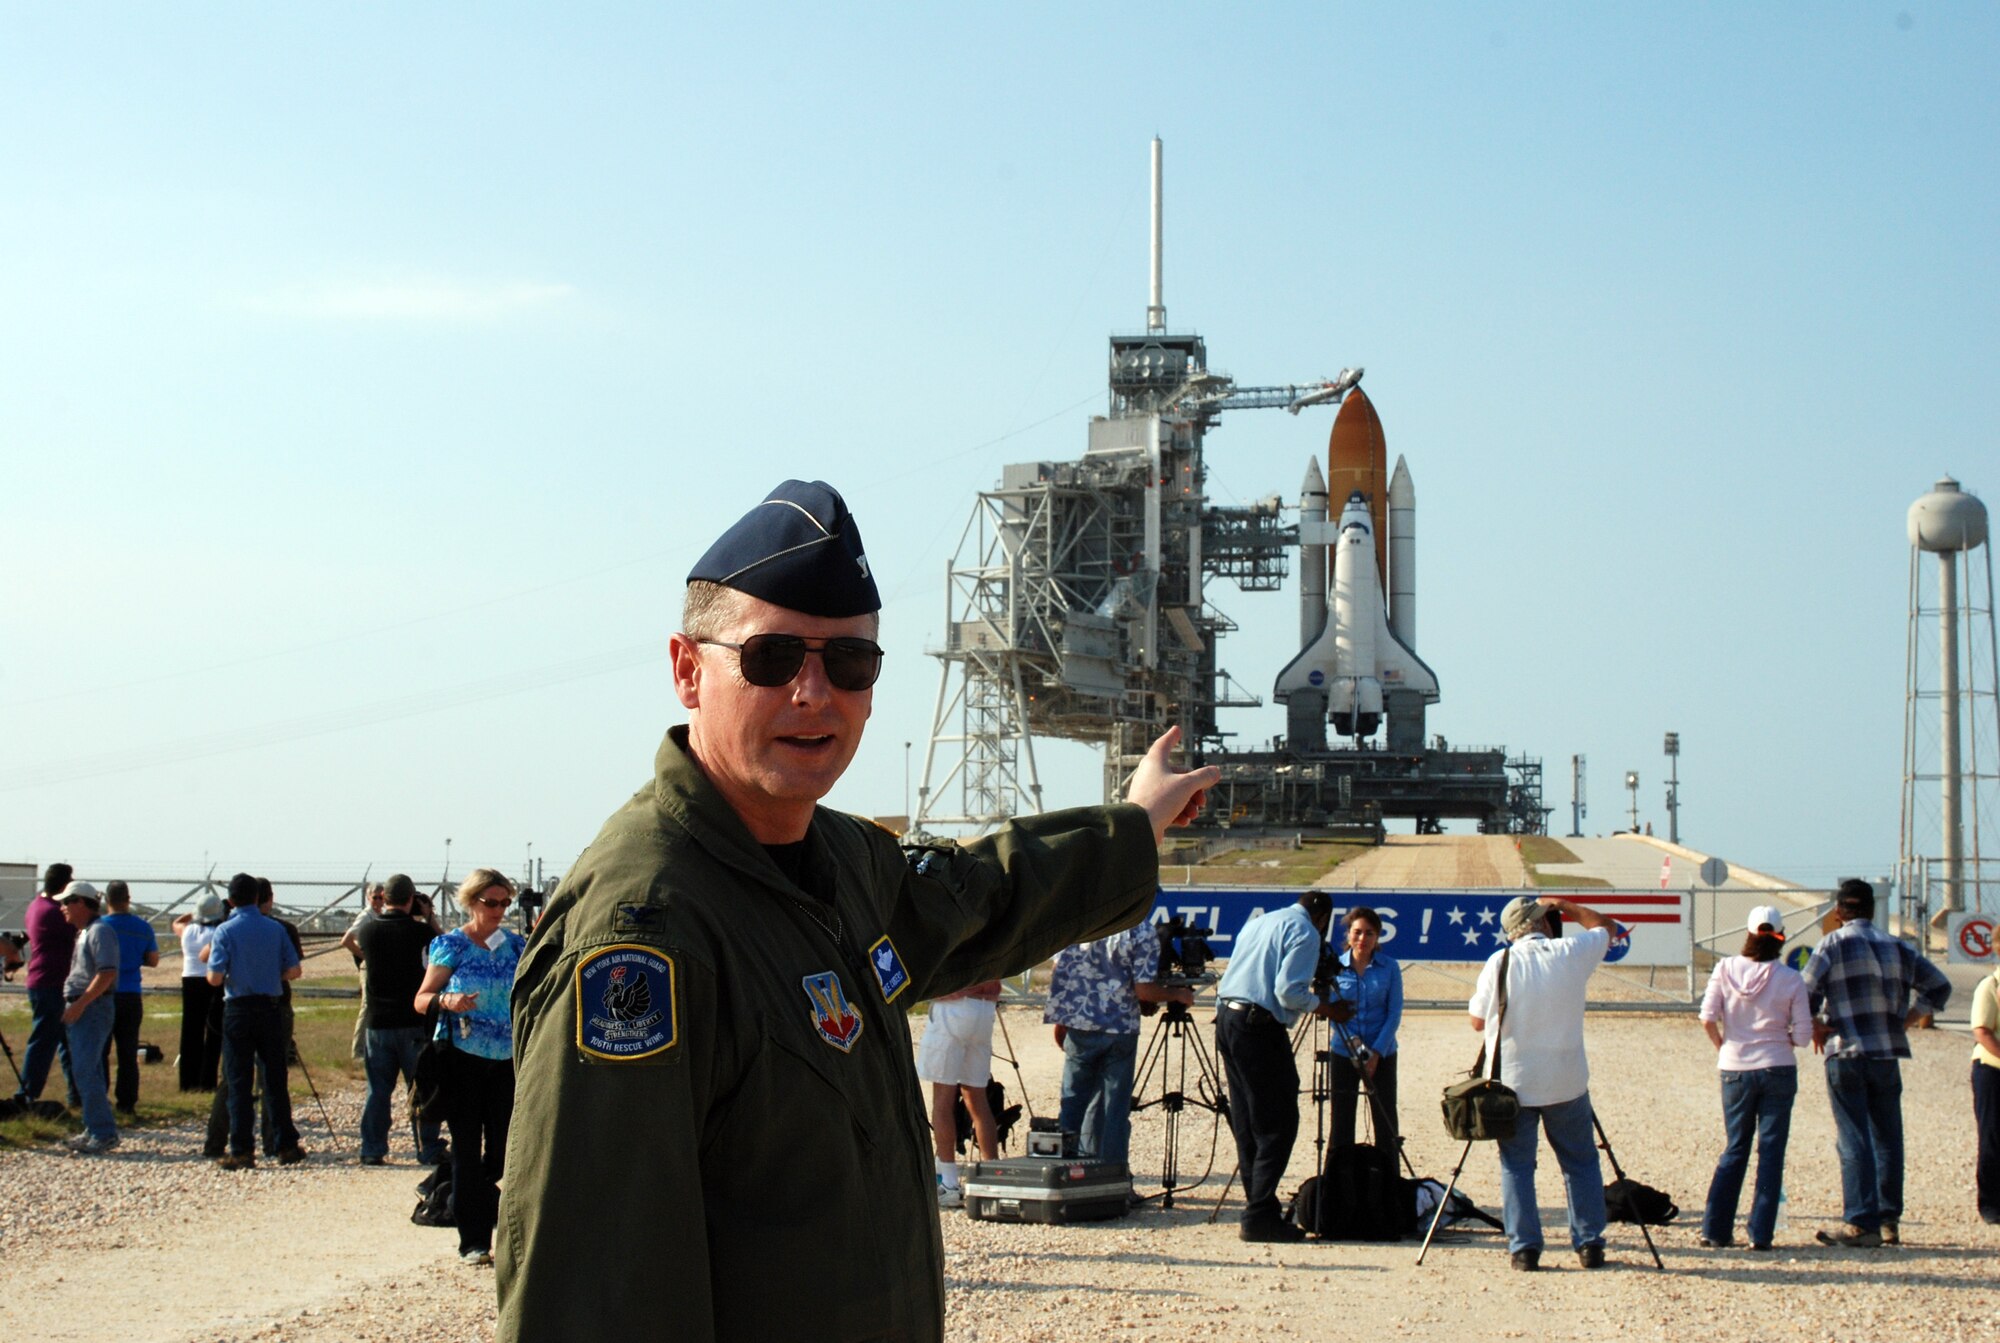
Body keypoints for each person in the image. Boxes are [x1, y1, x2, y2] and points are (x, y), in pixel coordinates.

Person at [497, 479, 1214, 1343]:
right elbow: (596, 1294)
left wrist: (1129, 827)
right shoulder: (645, 932)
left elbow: (984, 899)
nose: (814, 693)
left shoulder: (842, 859)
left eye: (849, 664)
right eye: (771, 659)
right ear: (689, 671)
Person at [1801, 877, 1951, 1248]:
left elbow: (1804, 993)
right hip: (1886, 1051)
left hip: (1847, 1050)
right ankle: (1888, 1219)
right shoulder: (1898, 947)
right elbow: (1939, 986)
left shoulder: (1831, 945)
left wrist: (1817, 1026)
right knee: (1887, 1138)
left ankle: (1860, 1221)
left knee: (1853, 1137)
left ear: (1839, 912)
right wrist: (1910, 1018)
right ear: (1871, 909)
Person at [1467, 894, 1614, 1271]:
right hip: (1566, 1079)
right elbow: (1607, 928)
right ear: (1544, 922)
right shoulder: (1570, 953)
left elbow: (1477, 1021)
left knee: (1517, 1166)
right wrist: (1567, 905)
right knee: (1580, 1162)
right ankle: (1590, 1243)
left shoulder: (1498, 962)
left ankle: (1525, 1248)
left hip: (1513, 1082)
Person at [1214, 891, 1343, 1242]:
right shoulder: (1306, 932)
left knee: (1247, 1117)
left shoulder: (1260, 922)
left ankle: (1261, 1205)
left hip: (1228, 1018)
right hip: (1259, 1024)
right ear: (1322, 918)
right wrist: (1327, 1008)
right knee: (1278, 1119)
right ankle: (1258, 1215)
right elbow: (1288, 992)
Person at [415, 868, 526, 1267]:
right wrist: (448, 1000)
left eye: (504, 903)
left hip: (506, 1061)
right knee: (465, 1147)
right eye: (491, 902)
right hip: (462, 1058)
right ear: (471, 902)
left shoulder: (517, 947)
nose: (498, 910)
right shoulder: (451, 946)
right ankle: (473, 1240)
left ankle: (483, 1203)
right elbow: (422, 997)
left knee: (500, 1152)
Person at [1697, 905, 1811, 1250]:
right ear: (1780, 935)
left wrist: (1723, 1047)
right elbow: (1804, 1035)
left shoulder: (1725, 968)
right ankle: (1760, 1233)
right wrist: (1782, 1040)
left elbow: (1707, 1017)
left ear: (1747, 933)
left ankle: (1715, 1229)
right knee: (1771, 1151)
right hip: (1777, 1065)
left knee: (1735, 1147)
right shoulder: (1790, 978)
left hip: (1735, 1065)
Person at [1044, 920, 1191, 1168]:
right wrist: (1176, 994)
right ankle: (1112, 1176)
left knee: (1071, 1103)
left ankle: (1063, 1172)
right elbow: (1144, 990)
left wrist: (1064, 1016)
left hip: (1080, 1023)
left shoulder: (1079, 921)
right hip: (1120, 1027)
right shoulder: (1140, 930)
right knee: (1114, 1110)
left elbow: (1058, 970)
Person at [207, 871, 303, 1170]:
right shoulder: (275, 929)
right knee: (275, 1079)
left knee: (238, 1081)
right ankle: (285, 1144)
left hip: (238, 1008)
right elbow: (294, 970)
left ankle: (242, 1150)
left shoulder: (225, 931)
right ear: (259, 898)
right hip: (271, 1007)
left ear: (231, 900)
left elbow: (214, 977)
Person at [352, 874, 444, 1166]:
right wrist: (428, 916)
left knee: (377, 1089)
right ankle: (427, 1146)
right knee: (420, 1087)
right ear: (410, 899)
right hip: (413, 1021)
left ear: (385, 898)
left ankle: (372, 1147)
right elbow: (442, 949)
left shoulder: (367, 931)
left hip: (378, 1022)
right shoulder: (420, 933)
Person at [918, 977, 1002, 1208]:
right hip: (985, 1007)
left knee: (942, 1100)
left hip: (955, 1006)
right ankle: (993, 1177)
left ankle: (949, 1182)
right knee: (977, 1098)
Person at [1328, 905, 1404, 1156]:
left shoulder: (1390, 967)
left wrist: (1375, 1053)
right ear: (1348, 934)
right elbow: (1331, 1012)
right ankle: (1340, 1186)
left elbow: (1393, 1013)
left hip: (1381, 1053)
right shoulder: (1334, 968)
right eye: (1357, 932)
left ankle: (1389, 1186)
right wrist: (1354, 1045)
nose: (1363, 939)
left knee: (1386, 1123)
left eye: (1369, 933)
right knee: (1341, 1123)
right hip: (1344, 1053)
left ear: (1378, 936)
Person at [57, 882, 121, 1153]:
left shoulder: (100, 931)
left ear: (80, 903)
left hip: (92, 1008)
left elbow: (106, 973)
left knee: (85, 1069)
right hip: (85, 1007)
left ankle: (104, 1132)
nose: (62, 908)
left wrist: (81, 1004)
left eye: (66, 902)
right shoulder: (86, 932)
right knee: (87, 1070)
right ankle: (93, 1126)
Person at [13, 862, 80, 1110]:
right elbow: (78, 929)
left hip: (46, 979)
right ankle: (27, 1092)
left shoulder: (36, 906)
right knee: (44, 1040)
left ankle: (76, 1093)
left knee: (66, 1041)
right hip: (51, 981)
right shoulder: (54, 912)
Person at [98, 880, 160, 1117]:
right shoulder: (142, 927)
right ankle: (127, 1102)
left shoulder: (100, 926)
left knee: (100, 1051)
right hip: (131, 994)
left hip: (103, 993)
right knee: (127, 1052)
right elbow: (153, 960)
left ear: (106, 900)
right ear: (128, 899)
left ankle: (99, 1099)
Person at [172, 894, 228, 1091]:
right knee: (213, 1031)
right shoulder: (218, 932)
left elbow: (176, 922)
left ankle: (187, 1081)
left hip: (189, 979)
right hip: (211, 979)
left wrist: (195, 912)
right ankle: (207, 1080)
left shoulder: (188, 931)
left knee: (190, 1031)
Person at [1970, 960, 2000, 1224]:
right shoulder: (1991, 985)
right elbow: (1982, 1030)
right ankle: (1991, 1204)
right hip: (1993, 1070)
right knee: (1993, 1137)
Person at [344, 881, 388, 1060]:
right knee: (367, 1005)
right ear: (368, 898)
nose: (378, 901)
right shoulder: (366, 916)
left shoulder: (380, 915)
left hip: (379, 965)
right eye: (375, 897)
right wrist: (365, 956)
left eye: (381, 897)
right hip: (369, 966)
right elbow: (346, 939)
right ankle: (358, 1050)